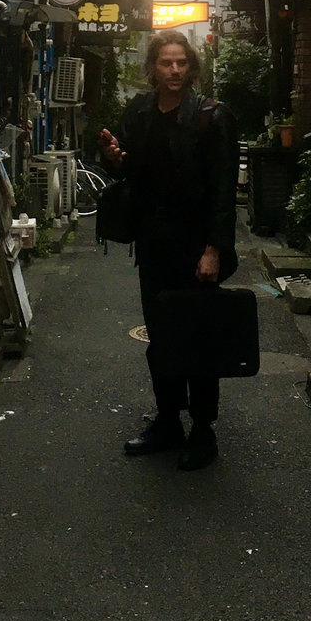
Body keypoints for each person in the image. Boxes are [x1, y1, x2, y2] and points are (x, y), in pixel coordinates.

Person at [97, 30, 239, 471]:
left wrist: (214, 249)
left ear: (191, 67)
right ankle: (168, 420)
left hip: (196, 246)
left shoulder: (212, 116)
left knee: (198, 336)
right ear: (153, 68)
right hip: (153, 243)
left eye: (181, 63)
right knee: (160, 337)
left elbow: (223, 190)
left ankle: (203, 430)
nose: (174, 70)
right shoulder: (139, 112)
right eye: (166, 63)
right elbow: (129, 169)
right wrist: (114, 158)